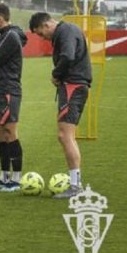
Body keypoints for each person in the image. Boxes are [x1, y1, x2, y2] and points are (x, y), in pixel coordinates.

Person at [29, 12, 91, 199]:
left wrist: (56, 74)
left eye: (40, 33)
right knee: (65, 135)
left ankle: (75, 185)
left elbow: (68, 56)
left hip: (73, 85)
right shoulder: (66, 31)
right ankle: (75, 183)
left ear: (47, 24)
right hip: (72, 85)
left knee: (65, 135)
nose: (42, 38)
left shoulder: (66, 31)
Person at [0, 3, 27, 193]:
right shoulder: (4, 36)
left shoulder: (10, 36)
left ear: (0, 18)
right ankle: (4, 177)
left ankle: (16, 179)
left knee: (10, 133)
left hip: (9, 90)